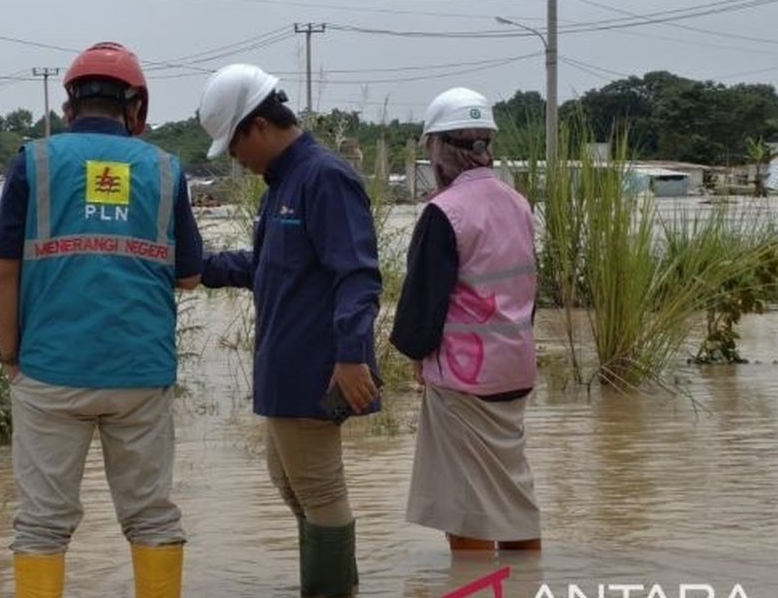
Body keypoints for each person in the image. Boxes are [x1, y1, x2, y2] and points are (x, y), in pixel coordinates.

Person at [0, 41, 203, 598]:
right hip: (141, 374)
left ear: (69, 106)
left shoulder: (34, 162)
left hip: (49, 371)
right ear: (136, 107)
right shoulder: (165, 169)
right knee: (151, 516)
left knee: (42, 525)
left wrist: (11, 358)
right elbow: (188, 276)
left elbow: (2, 274)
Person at [196, 64, 382, 598]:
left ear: (258, 126)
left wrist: (350, 355)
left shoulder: (323, 178)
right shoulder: (284, 185)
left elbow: (357, 274)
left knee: (320, 490)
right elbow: (268, 268)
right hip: (286, 367)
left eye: (234, 146)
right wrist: (200, 268)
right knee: (291, 482)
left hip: (315, 366)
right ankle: (332, 584)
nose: (236, 159)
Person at [389, 87, 542, 553]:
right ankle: (525, 581)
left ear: (439, 148)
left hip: (464, 379)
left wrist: (416, 353)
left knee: (467, 508)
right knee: (513, 501)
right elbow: (528, 287)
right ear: (484, 144)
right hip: (515, 368)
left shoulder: (445, 212)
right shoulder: (517, 203)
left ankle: (473, 582)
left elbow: (423, 300)